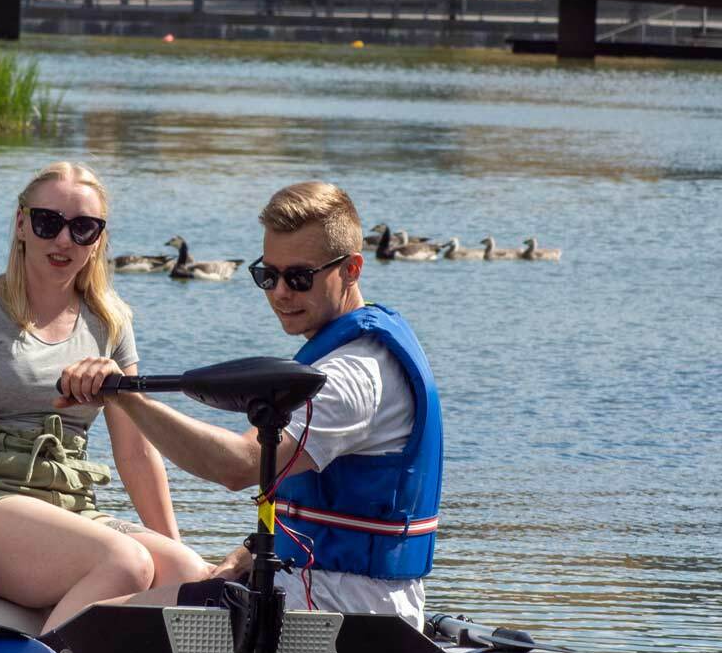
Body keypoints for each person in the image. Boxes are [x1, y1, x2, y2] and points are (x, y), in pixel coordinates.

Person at [56, 181, 442, 629]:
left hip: (341, 612)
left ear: (352, 269)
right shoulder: (350, 349)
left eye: (299, 278)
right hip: (334, 593)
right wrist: (246, 554)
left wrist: (122, 397)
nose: (279, 292)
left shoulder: (352, 376)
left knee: (93, 626)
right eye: (267, 275)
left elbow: (239, 467)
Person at [0, 160, 209, 632]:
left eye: (82, 228)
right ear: (21, 224)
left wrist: (175, 554)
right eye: (47, 222)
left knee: (191, 574)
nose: (63, 241)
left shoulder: (111, 321)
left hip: (71, 502)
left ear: (98, 237)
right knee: (127, 563)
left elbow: (137, 451)